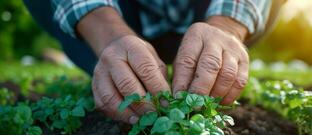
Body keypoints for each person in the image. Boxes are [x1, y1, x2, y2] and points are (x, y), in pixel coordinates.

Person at [24, 0, 284, 124]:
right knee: (115, 68)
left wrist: (228, 25)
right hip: (118, 14)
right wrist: (107, 33)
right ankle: (97, 53)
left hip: (208, 10)